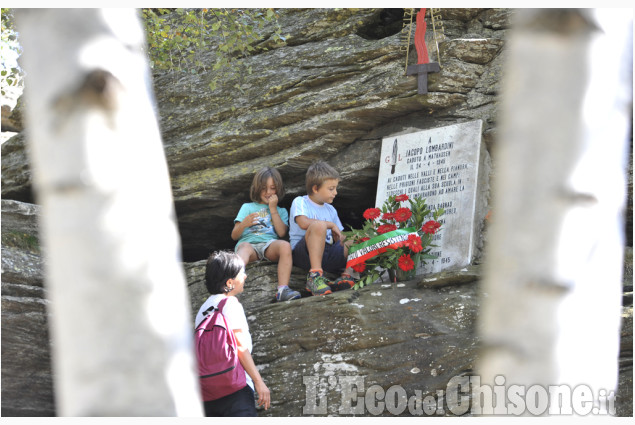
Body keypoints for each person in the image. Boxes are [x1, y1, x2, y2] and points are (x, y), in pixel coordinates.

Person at [195, 251, 271, 416]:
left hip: (208, 393)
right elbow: (240, 346)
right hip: (235, 388)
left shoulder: (202, 310)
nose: (245, 276)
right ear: (230, 282)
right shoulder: (230, 303)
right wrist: (259, 382)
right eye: (241, 273)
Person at [231, 167, 300, 302]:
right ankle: (234, 279)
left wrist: (273, 209)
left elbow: (281, 232)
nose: (268, 192)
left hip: (269, 246)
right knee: (244, 248)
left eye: (272, 188)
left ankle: (283, 289)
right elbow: (234, 235)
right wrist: (244, 223)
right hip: (250, 245)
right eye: (264, 188)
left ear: (278, 189)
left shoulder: (281, 211)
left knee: (285, 246)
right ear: (257, 188)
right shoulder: (247, 207)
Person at [289, 161, 357, 295]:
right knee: (319, 225)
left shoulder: (331, 210)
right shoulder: (300, 202)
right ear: (315, 189)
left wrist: (348, 240)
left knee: (356, 238)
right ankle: (315, 276)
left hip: (328, 254)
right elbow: (303, 223)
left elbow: (340, 236)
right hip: (304, 254)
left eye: (335, 188)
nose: (336, 192)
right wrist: (330, 225)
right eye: (331, 189)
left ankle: (346, 276)